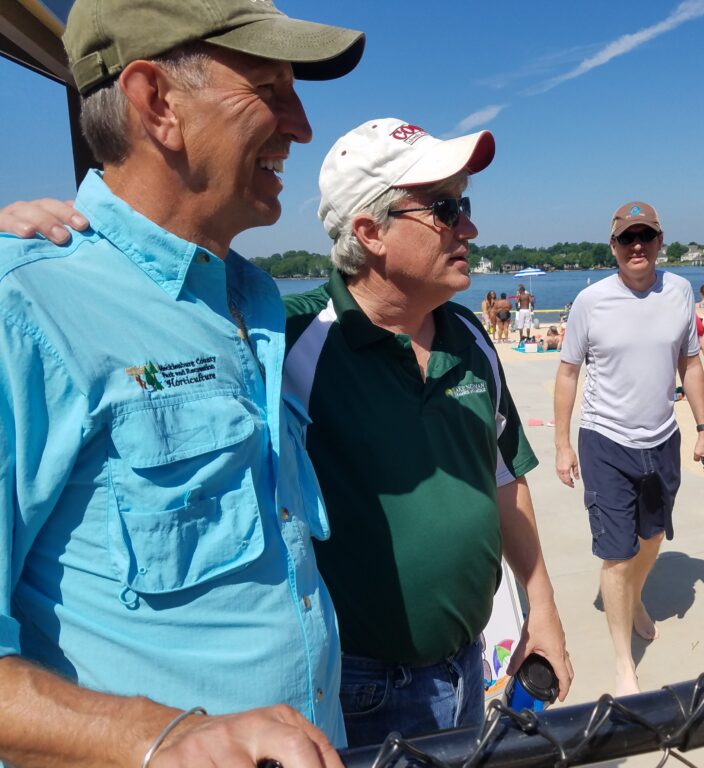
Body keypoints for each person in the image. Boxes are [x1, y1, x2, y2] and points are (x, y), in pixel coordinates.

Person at [0, 0, 366, 765]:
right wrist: (163, 737)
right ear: (156, 102)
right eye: (270, 89)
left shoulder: (254, 301)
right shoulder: (26, 310)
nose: (301, 126)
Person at [282, 118, 571, 746]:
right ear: (369, 232)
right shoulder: (291, 342)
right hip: (357, 687)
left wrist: (541, 608)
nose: (468, 227)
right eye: (445, 208)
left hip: (471, 665)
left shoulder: (468, 336)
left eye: (464, 205)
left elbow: (503, 478)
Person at [553, 201, 704, 696]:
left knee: (653, 538)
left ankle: (636, 597)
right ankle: (625, 662)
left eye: (646, 236)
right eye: (628, 238)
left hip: (662, 438)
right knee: (617, 554)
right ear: (614, 247)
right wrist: (563, 444)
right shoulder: (592, 301)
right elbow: (567, 374)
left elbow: (690, 364)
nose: (637, 246)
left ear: (660, 241)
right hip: (605, 440)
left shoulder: (680, 291)